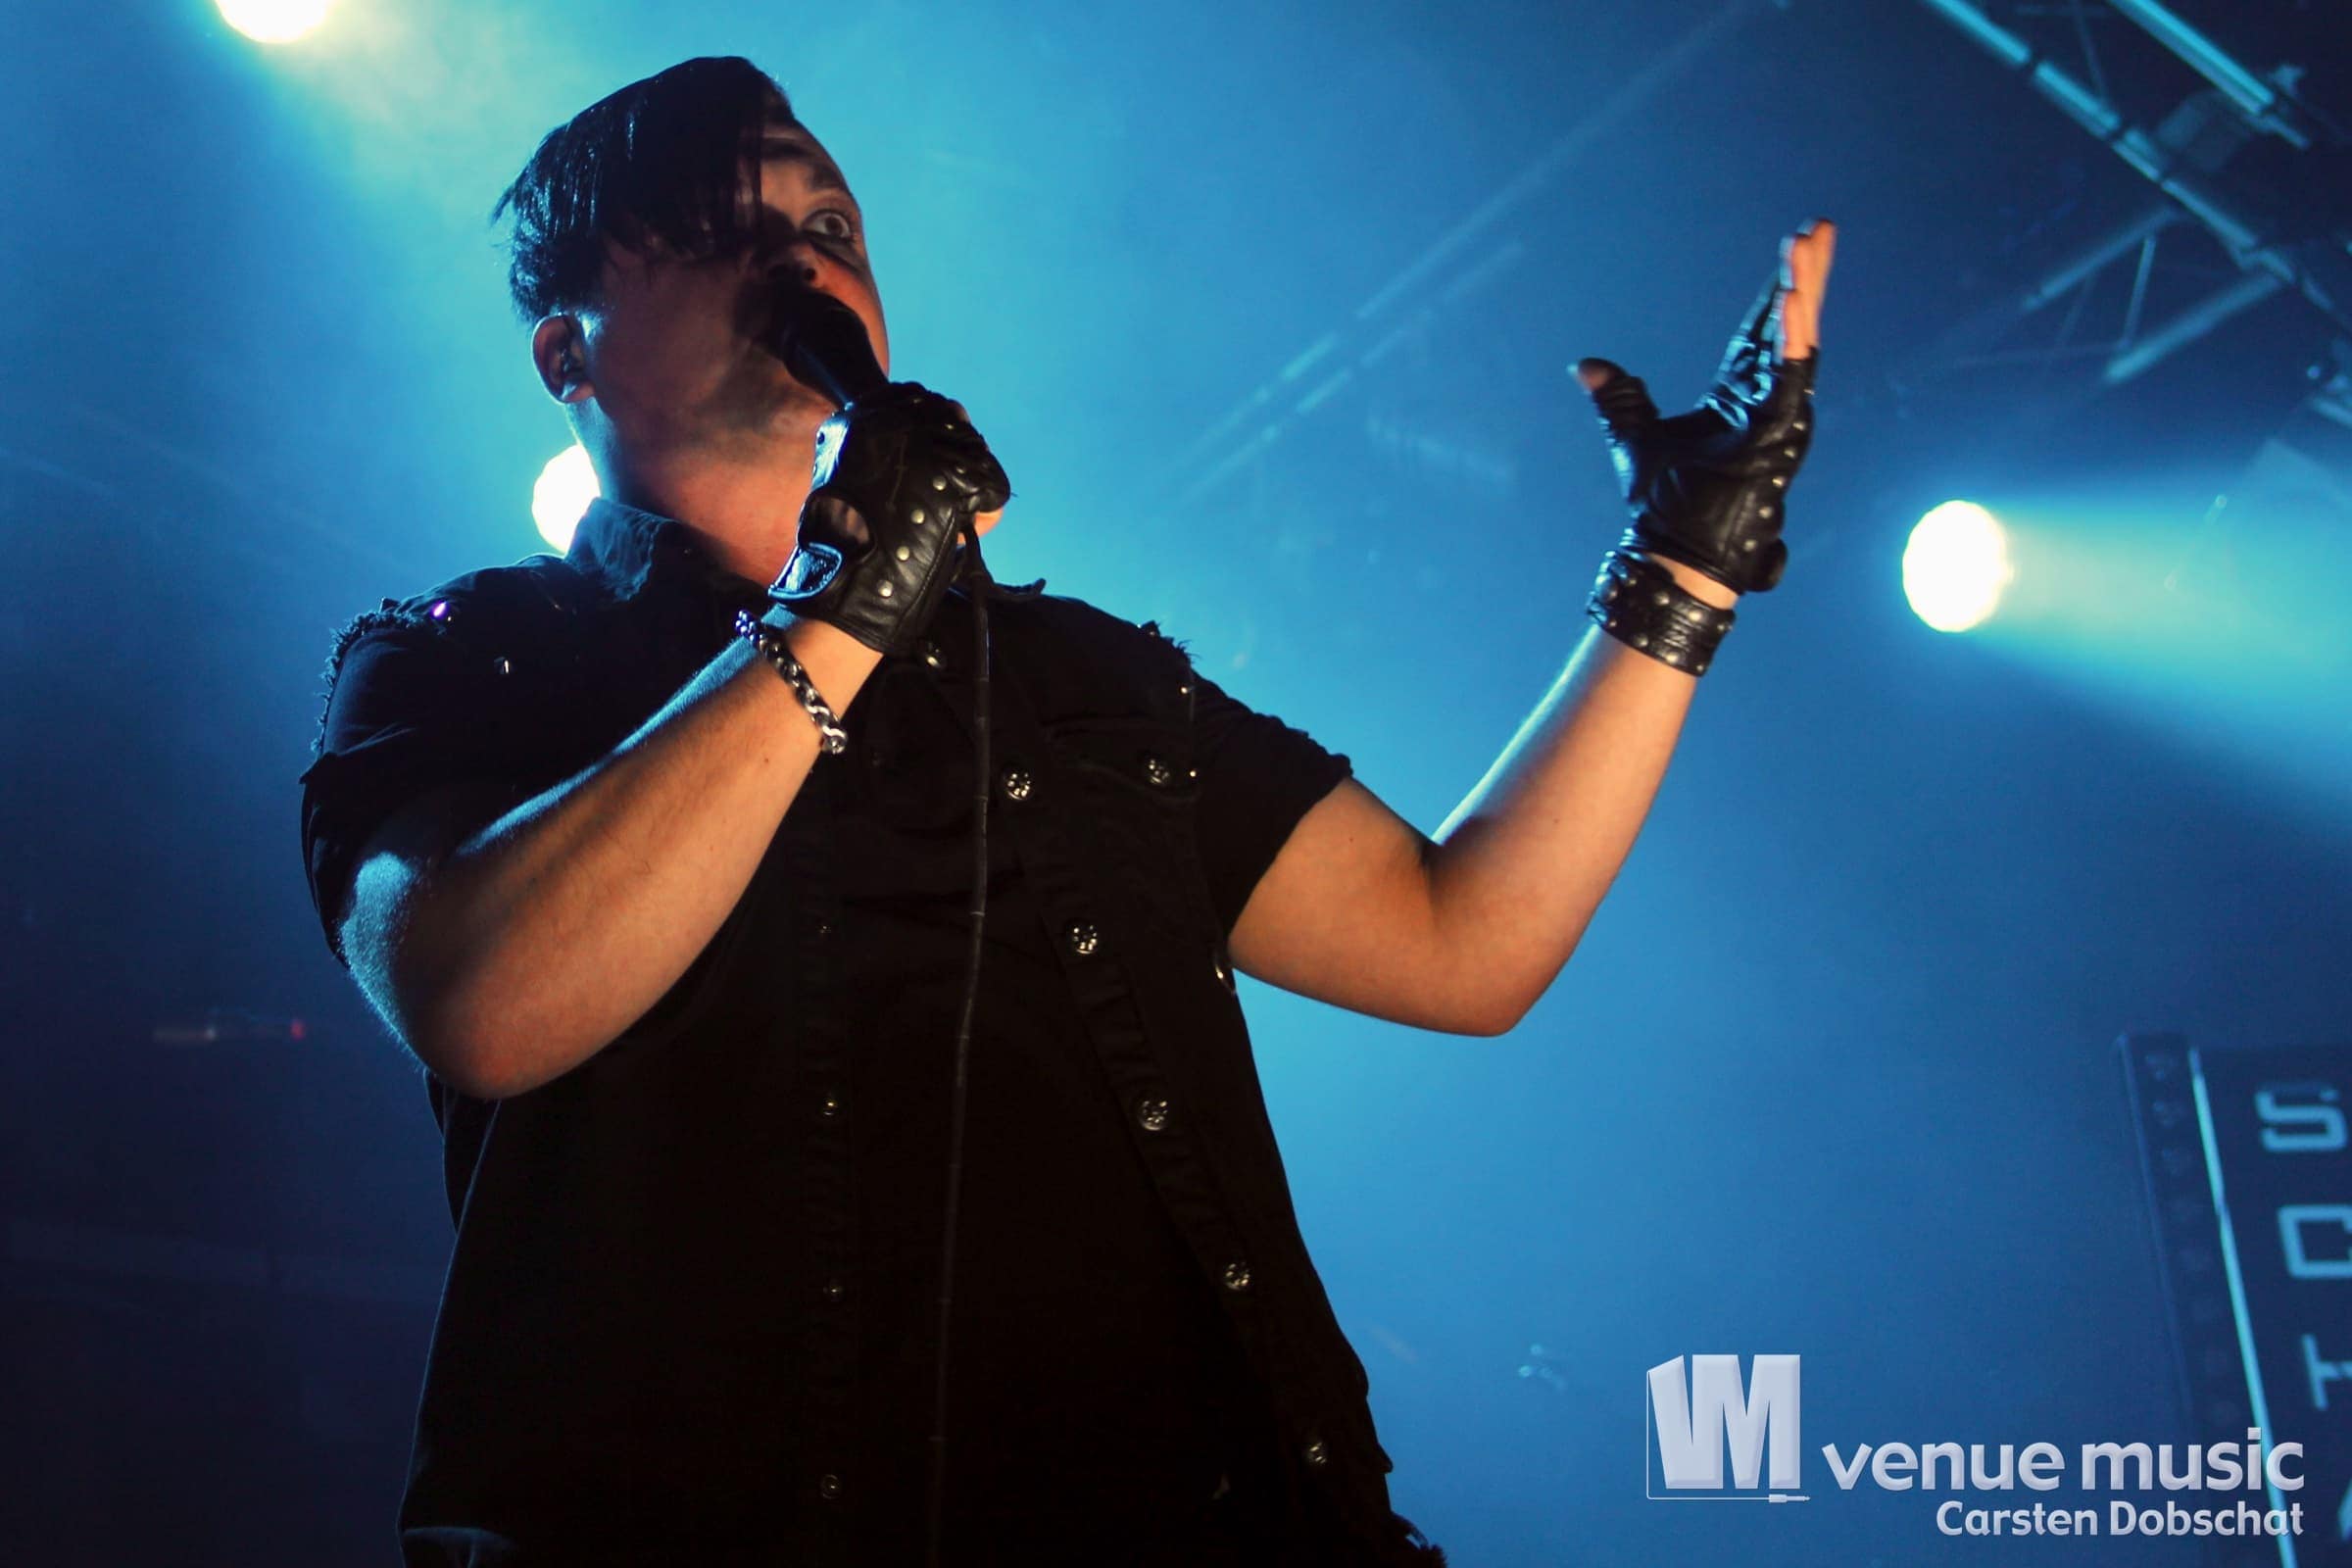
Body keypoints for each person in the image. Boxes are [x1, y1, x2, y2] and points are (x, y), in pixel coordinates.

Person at [297, 54, 1832, 1568]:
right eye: (718, 229)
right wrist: (845, 602)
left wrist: (1679, 575)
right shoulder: (469, 660)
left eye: (829, 228)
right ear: (565, 353)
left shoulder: (1081, 677)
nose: (801, 262)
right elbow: (483, 1003)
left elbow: (1466, 940)